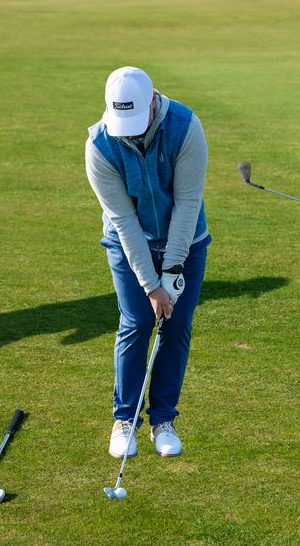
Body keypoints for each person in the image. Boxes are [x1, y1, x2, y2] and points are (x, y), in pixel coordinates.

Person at [85, 66, 210, 458]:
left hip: (186, 239)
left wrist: (172, 270)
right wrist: (152, 285)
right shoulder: (99, 146)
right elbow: (123, 221)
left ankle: (163, 421)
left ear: (153, 100)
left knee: (176, 327)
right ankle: (125, 420)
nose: (132, 132)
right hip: (128, 243)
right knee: (137, 322)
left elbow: (188, 202)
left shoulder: (185, 127)